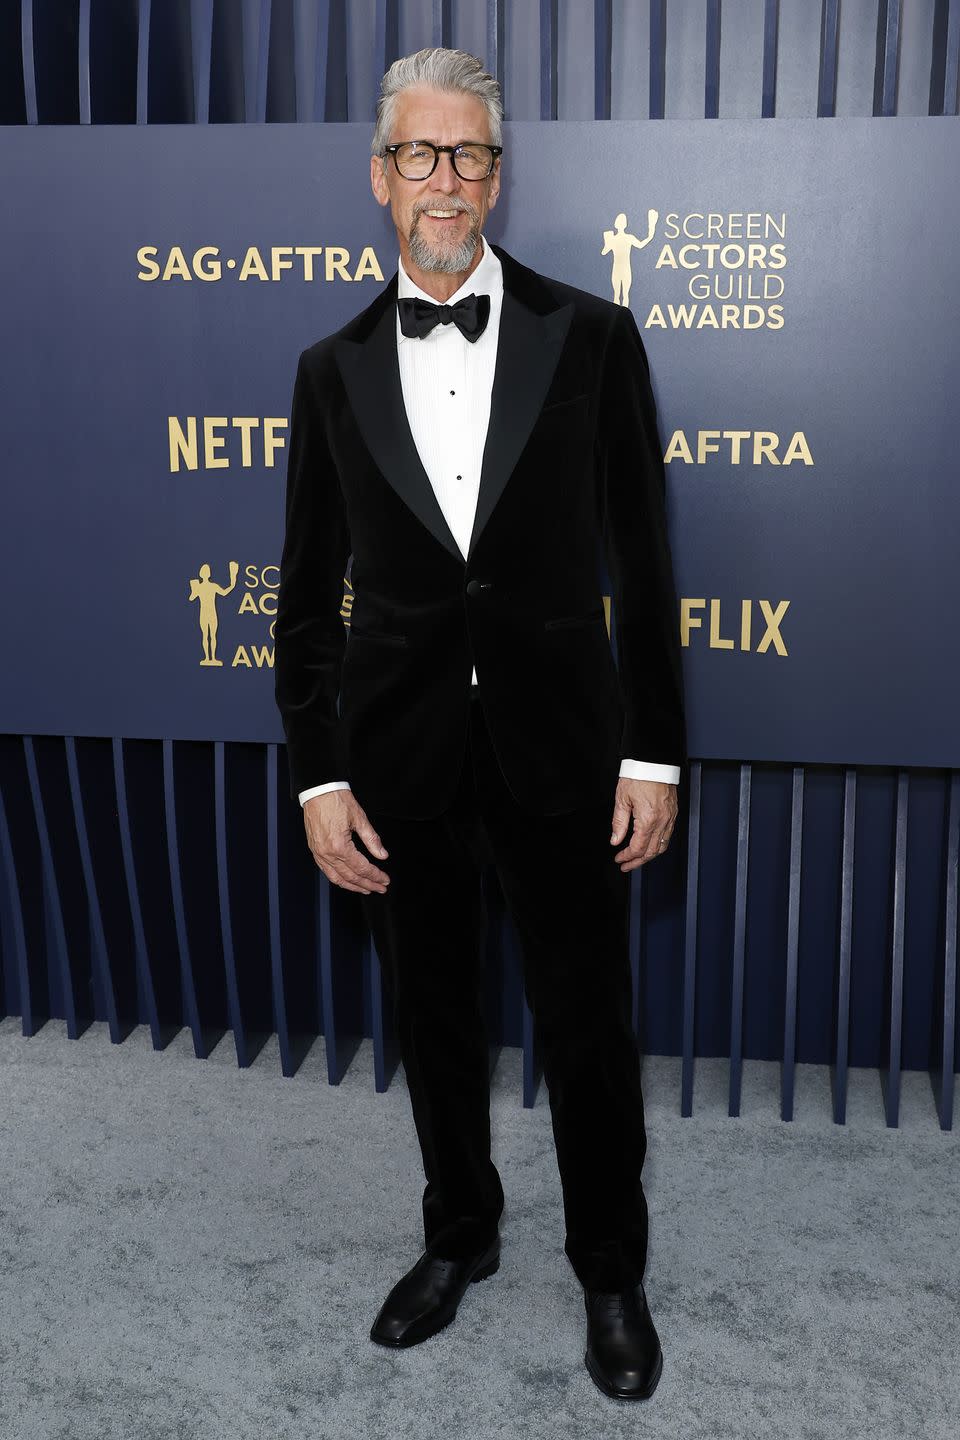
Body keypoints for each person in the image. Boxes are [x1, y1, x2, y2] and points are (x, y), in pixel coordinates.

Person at [274, 46, 686, 1403]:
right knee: (435, 1020)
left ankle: (610, 1270)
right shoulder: (329, 367)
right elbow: (306, 602)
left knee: (586, 1024)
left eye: (467, 155)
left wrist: (652, 749)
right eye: (416, 155)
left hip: (567, 748)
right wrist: (320, 775)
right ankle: (460, 1236)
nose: (441, 181)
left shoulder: (594, 337)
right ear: (379, 178)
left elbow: (646, 555)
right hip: (401, 764)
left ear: (497, 177)